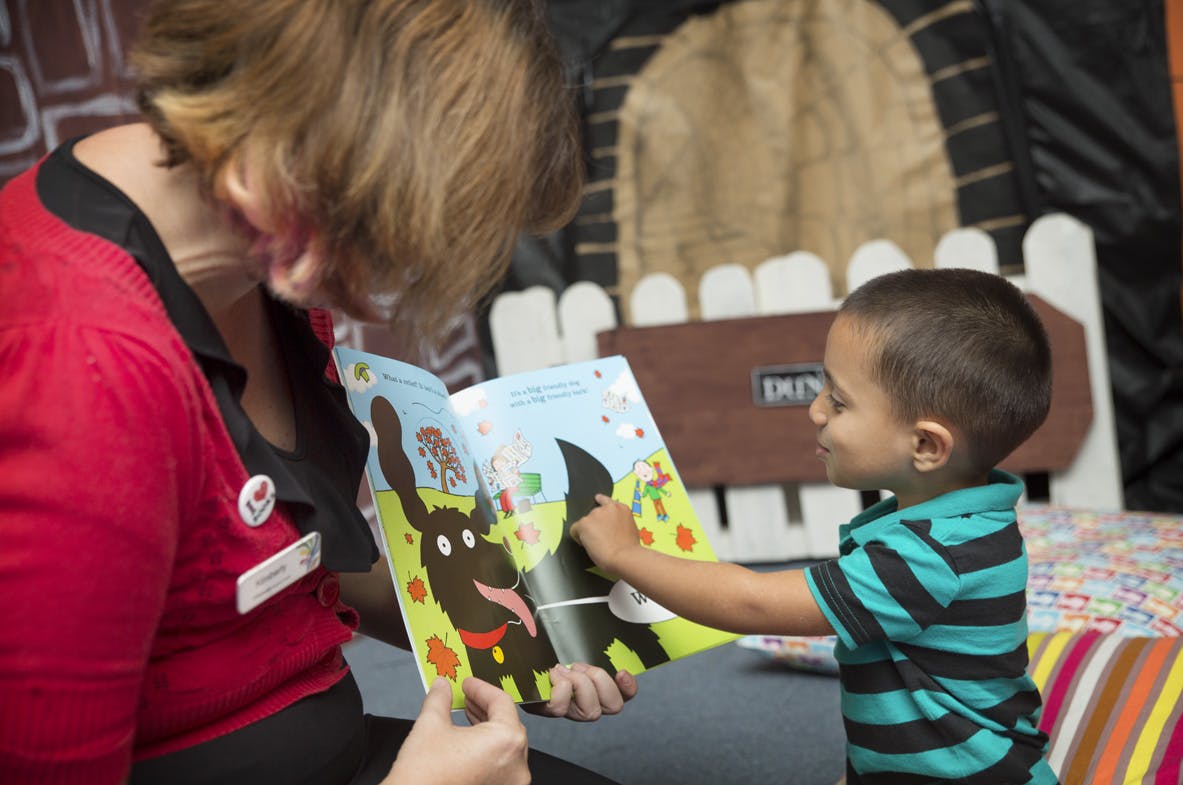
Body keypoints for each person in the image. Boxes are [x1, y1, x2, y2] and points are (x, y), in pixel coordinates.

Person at [0, 2, 637, 784]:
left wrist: (499, 631)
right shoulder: (85, 366)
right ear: (335, 160)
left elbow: (267, 566)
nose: (398, 295)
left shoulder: (250, 251)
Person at [572, 268, 1061, 785]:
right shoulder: (963, 523)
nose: (815, 410)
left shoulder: (930, 555)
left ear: (926, 446)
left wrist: (625, 555)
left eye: (839, 400)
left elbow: (751, 602)